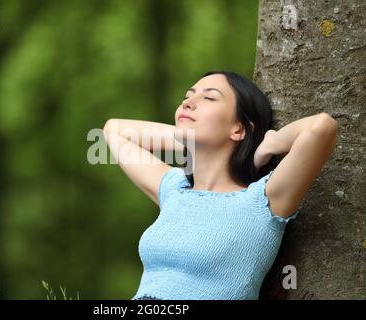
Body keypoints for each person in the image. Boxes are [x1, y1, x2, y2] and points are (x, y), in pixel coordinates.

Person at [102, 70, 338, 300]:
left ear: (239, 129)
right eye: (187, 96)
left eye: (209, 97)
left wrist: (268, 143)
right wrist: (188, 140)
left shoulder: (262, 201)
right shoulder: (173, 190)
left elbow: (321, 127)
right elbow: (115, 130)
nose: (188, 103)